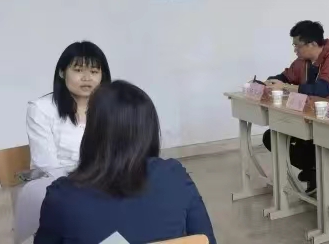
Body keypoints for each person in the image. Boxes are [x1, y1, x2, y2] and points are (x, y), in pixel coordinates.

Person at [35, 81, 215, 244]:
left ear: (93, 130)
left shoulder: (62, 196)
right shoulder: (175, 176)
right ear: (148, 128)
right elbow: (206, 240)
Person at [16, 42, 113, 244]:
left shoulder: (112, 108)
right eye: (78, 70)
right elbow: (47, 164)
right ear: (62, 72)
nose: (87, 78)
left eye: (94, 71)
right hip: (59, 185)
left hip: (107, 183)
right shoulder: (41, 109)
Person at [262, 20, 329, 193]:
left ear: (312, 44)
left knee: (309, 143)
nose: (295, 50)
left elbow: (322, 89)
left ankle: (321, 171)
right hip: (309, 116)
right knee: (272, 137)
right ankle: (315, 170)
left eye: (297, 45)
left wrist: (287, 87)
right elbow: (286, 76)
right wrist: (269, 82)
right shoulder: (303, 61)